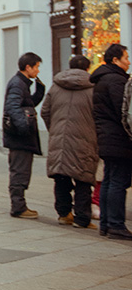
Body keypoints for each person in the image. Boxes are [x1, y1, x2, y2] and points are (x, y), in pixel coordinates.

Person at [40, 54, 98, 229]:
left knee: (61, 177)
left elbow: (45, 111)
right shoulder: (93, 88)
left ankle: (64, 214)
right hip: (85, 140)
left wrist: (55, 129)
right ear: (88, 68)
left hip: (59, 139)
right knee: (83, 179)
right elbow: (98, 114)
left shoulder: (56, 86)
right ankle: (82, 219)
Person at [90, 43, 132, 240]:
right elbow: (123, 111)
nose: (128, 62)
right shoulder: (116, 80)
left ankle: (107, 223)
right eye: (126, 58)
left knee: (109, 179)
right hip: (117, 138)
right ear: (115, 60)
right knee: (118, 181)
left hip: (107, 137)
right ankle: (115, 224)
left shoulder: (103, 79)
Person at [2, 51, 45, 218]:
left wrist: (38, 94)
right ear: (28, 67)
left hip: (20, 136)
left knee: (22, 171)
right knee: (19, 171)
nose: (38, 71)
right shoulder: (18, 83)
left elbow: (25, 105)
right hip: (19, 138)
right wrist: (24, 128)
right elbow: (12, 107)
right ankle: (18, 207)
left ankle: (20, 204)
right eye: (37, 67)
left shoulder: (22, 83)